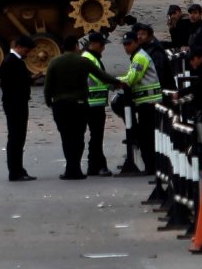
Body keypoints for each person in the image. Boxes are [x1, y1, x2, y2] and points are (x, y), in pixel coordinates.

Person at [43, 34, 121, 180]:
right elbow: (102, 76)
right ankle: (76, 169)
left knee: (66, 138)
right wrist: (118, 83)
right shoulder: (83, 61)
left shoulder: (55, 62)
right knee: (78, 137)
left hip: (60, 105)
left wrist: (49, 102)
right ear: (75, 46)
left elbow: (48, 87)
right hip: (79, 105)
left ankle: (70, 169)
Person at [118, 29, 163, 175]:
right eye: (124, 44)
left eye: (129, 43)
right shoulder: (136, 56)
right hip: (144, 102)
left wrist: (116, 81)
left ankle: (151, 167)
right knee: (146, 136)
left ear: (136, 42)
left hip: (149, 103)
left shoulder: (140, 58)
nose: (126, 47)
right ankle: (151, 166)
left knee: (147, 137)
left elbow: (132, 79)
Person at [0, 35, 37, 182]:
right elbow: (14, 84)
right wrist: (29, 80)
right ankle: (15, 171)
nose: (27, 54)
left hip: (15, 103)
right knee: (16, 138)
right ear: (20, 47)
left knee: (18, 138)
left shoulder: (13, 61)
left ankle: (18, 169)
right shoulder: (11, 62)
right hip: (15, 104)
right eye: (27, 50)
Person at [82, 32, 115, 177]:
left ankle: (93, 166)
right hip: (93, 103)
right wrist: (114, 84)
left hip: (94, 102)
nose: (103, 48)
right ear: (94, 44)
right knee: (96, 137)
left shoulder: (90, 57)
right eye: (102, 45)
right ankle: (100, 165)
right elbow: (99, 78)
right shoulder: (89, 59)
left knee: (95, 137)